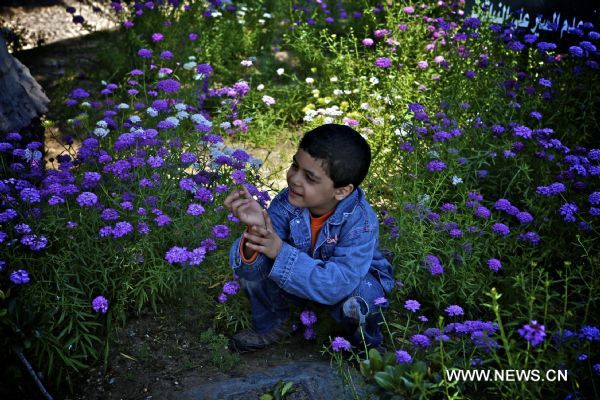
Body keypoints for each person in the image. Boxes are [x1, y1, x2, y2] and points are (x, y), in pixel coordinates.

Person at [224, 123, 394, 352]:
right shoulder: (287, 203)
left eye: (310, 178)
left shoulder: (361, 221)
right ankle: (274, 322)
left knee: (365, 296)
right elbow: (251, 269)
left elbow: (338, 285)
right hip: (298, 277)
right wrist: (257, 230)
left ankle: (364, 345)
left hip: (344, 284)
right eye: (295, 165)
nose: (294, 179)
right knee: (256, 253)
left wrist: (280, 252)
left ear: (341, 191)